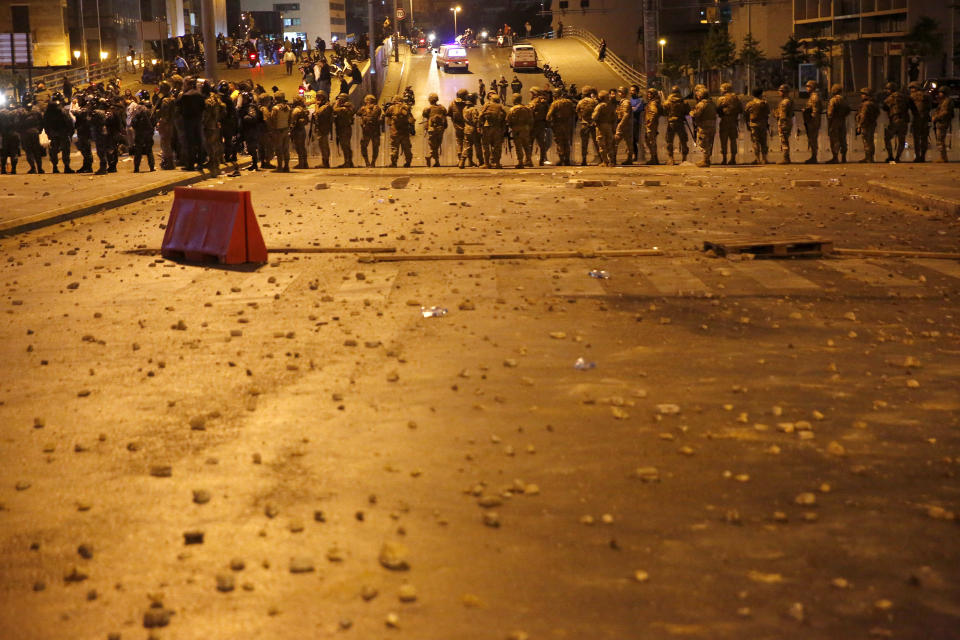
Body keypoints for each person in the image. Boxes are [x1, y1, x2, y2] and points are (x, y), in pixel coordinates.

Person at [43, 93, 75, 173]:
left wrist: (48, 133)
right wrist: (70, 132)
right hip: (63, 133)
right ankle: (66, 167)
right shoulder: (62, 109)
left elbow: (45, 123)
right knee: (65, 150)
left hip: (53, 133)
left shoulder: (48, 111)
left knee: (53, 150)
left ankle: (55, 167)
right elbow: (69, 121)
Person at [546, 87, 575, 166]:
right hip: (567, 125)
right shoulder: (569, 102)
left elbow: (548, 116)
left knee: (560, 142)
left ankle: (561, 159)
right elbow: (573, 113)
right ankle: (567, 159)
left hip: (558, 125)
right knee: (566, 142)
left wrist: (550, 123)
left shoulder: (555, 103)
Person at [201, 83, 226, 175]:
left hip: (209, 125)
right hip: (216, 123)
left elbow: (206, 115)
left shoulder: (207, 101)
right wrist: (219, 118)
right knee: (215, 143)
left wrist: (203, 123)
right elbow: (223, 109)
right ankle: (217, 160)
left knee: (209, 144)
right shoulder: (216, 98)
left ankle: (212, 161)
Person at [882, 82, 909, 163]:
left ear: (891, 89)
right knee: (901, 139)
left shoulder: (890, 98)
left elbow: (884, 107)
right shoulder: (905, 97)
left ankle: (890, 156)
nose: (886, 91)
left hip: (894, 120)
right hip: (904, 120)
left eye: (887, 89)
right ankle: (898, 157)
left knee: (887, 138)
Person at [385, 94, 415, 167]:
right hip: (405, 132)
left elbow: (386, 115)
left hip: (394, 132)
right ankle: (408, 162)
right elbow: (411, 119)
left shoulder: (391, 108)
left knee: (394, 147)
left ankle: (394, 163)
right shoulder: (406, 108)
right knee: (407, 148)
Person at [130, 90, 156, 173]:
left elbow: (133, 121)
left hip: (140, 133)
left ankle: (136, 168)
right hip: (149, 132)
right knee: (149, 150)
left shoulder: (138, 108)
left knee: (138, 151)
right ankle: (151, 167)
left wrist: (136, 128)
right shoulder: (151, 108)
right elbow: (154, 120)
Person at [690, 84, 716, 167]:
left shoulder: (701, 104)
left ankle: (705, 161)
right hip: (712, 126)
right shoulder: (712, 103)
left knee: (704, 143)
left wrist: (691, 113)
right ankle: (707, 160)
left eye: (697, 95)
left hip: (704, 126)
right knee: (709, 143)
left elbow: (696, 114)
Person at [716, 83, 742, 165]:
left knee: (724, 141)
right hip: (734, 121)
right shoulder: (736, 98)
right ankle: (733, 159)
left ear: (725, 89)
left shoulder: (721, 99)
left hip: (724, 121)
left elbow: (718, 110)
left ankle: (724, 159)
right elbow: (741, 109)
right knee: (733, 140)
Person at [663, 85, 689, 165]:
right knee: (683, 141)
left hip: (671, 123)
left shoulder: (667, 102)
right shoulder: (684, 101)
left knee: (669, 141)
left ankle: (671, 159)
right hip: (680, 122)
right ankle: (684, 158)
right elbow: (687, 111)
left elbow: (664, 112)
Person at [480, 93, 507, 169]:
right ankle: (497, 163)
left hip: (487, 127)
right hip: (497, 128)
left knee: (486, 146)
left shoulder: (487, 105)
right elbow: (505, 117)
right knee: (497, 147)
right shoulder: (500, 106)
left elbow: (480, 115)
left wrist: (480, 125)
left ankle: (486, 164)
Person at [743, 87, 770, 165]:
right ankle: (764, 159)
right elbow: (768, 113)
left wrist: (747, 123)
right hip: (763, 124)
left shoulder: (750, 104)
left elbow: (745, 114)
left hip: (753, 125)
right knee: (764, 142)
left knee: (755, 142)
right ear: (761, 94)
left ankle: (757, 159)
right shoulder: (764, 103)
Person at [507, 93, 534, 168]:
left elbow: (508, 120)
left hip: (516, 129)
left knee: (518, 146)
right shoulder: (526, 108)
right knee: (526, 145)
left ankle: (520, 162)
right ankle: (529, 160)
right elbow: (531, 120)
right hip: (525, 129)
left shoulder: (512, 109)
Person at [19, 95, 45, 173]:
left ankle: (33, 168)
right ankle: (40, 168)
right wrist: (39, 130)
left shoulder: (20, 111)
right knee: (37, 151)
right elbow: (42, 121)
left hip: (25, 133)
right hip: (35, 132)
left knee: (28, 151)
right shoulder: (36, 109)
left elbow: (17, 123)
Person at [908, 81, 932, 162]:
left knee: (916, 138)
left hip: (917, 119)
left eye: (912, 88)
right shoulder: (927, 96)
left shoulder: (912, 96)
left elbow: (910, 107)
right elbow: (930, 106)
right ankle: (923, 156)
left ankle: (917, 156)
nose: (911, 90)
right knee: (924, 138)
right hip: (925, 118)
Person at [825, 83, 850, 164]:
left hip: (834, 121)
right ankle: (844, 157)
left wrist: (830, 122)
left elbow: (830, 113)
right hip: (842, 120)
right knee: (843, 138)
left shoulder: (833, 100)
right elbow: (848, 110)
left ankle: (835, 157)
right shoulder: (844, 100)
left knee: (834, 139)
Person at [422, 93, 448, 167]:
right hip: (440, 129)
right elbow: (445, 115)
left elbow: (424, 115)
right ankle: (436, 161)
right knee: (437, 145)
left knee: (433, 145)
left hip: (432, 129)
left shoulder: (427, 109)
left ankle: (430, 157)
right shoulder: (442, 107)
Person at [592, 90, 616, 166]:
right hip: (609, 126)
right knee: (610, 144)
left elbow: (594, 117)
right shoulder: (611, 106)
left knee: (602, 144)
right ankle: (611, 161)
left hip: (600, 127)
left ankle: (605, 161)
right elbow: (614, 117)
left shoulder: (599, 106)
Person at [357, 94, 383, 167]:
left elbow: (374, 115)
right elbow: (358, 113)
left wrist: (366, 111)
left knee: (373, 146)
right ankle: (368, 162)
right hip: (369, 131)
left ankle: (371, 162)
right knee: (366, 146)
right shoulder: (365, 108)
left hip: (371, 131)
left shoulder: (375, 108)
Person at [801, 79, 823, 164]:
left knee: (813, 139)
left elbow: (815, 111)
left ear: (812, 87)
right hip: (812, 121)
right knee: (811, 139)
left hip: (813, 121)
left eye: (808, 86)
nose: (807, 88)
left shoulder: (814, 97)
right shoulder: (812, 96)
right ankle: (813, 156)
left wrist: (812, 121)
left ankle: (814, 157)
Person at [855, 87, 879, 164]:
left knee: (866, 142)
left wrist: (859, 125)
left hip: (866, 125)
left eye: (863, 94)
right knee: (870, 141)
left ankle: (868, 158)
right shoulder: (874, 103)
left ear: (867, 95)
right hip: (871, 124)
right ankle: (870, 157)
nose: (861, 96)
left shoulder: (866, 105)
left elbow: (863, 116)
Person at [268, 91, 292, 172]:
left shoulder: (275, 108)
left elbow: (273, 120)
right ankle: (287, 166)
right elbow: (290, 120)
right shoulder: (288, 108)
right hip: (286, 130)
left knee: (279, 149)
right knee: (286, 149)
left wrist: (272, 130)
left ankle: (280, 166)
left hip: (278, 131)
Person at [575, 85, 599, 165]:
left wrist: (581, 118)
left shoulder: (580, 102)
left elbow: (577, 111)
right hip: (593, 124)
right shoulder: (594, 102)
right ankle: (601, 158)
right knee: (597, 142)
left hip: (584, 124)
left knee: (584, 143)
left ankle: (584, 160)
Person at [311, 90, 334, 168]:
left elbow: (318, 114)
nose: (317, 99)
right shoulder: (323, 106)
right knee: (322, 145)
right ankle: (324, 161)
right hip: (320, 128)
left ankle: (325, 162)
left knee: (324, 145)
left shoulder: (326, 106)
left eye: (319, 97)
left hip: (323, 128)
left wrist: (316, 106)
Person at [932, 87, 954, 163]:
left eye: (941, 92)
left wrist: (936, 117)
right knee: (940, 140)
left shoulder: (947, 102)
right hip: (941, 122)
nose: (939, 94)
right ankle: (943, 157)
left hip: (943, 123)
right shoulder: (943, 101)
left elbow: (945, 112)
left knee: (940, 140)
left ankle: (943, 157)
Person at [613, 86, 635, 165]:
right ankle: (629, 159)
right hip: (625, 125)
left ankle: (614, 159)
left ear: (622, 93)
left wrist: (620, 124)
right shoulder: (623, 102)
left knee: (616, 141)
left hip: (624, 125)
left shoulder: (626, 102)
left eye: (619, 92)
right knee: (628, 143)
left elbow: (626, 115)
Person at [333, 93, 355, 168]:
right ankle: (348, 161)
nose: (338, 101)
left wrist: (336, 103)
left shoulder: (345, 107)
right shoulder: (346, 107)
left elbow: (335, 110)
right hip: (342, 128)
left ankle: (348, 162)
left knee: (345, 146)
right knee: (345, 146)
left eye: (339, 99)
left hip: (345, 129)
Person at [529, 88, 550, 165]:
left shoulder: (534, 102)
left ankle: (528, 160)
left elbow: (530, 113)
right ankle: (541, 160)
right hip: (541, 125)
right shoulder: (544, 102)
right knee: (542, 144)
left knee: (530, 143)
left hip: (534, 125)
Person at [0, 99, 22, 174]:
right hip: (15, 135)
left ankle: (3, 169)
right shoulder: (18, 112)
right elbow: (21, 124)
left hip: (5, 135)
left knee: (4, 153)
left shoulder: (1, 112)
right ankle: (14, 169)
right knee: (14, 152)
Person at [774, 84, 794, 164]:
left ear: (784, 92)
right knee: (785, 140)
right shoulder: (788, 100)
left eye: (780, 91)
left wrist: (780, 124)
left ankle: (786, 158)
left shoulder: (785, 102)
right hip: (787, 122)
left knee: (784, 140)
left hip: (784, 123)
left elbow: (783, 115)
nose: (779, 93)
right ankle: (787, 158)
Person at [290, 94, 310, 169]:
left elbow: (292, 121)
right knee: (302, 147)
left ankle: (301, 164)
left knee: (298, 147)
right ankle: (305, 163)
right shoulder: (303, 109)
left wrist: (290, 131)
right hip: (302, 130)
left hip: (297, 130)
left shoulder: (296, 110)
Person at [449, 89, 469, 162]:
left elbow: (449, 113)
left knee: (459, 143)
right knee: (467, 143)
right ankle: (468, 160)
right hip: (466, 126)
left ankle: (460, 159)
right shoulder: (467, 104)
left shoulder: (452, 103)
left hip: (457, 126)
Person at [644, 87, 662, 165]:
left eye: (650, 93)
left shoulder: (653, 103)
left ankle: (654, 159)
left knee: (651, 142)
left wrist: (650, 122)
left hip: (651, 125)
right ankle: (654, 158)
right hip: (652, 125)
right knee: (650, 141)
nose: (648, 95)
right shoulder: (653, 102)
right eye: (648, 93)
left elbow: (654, 113)